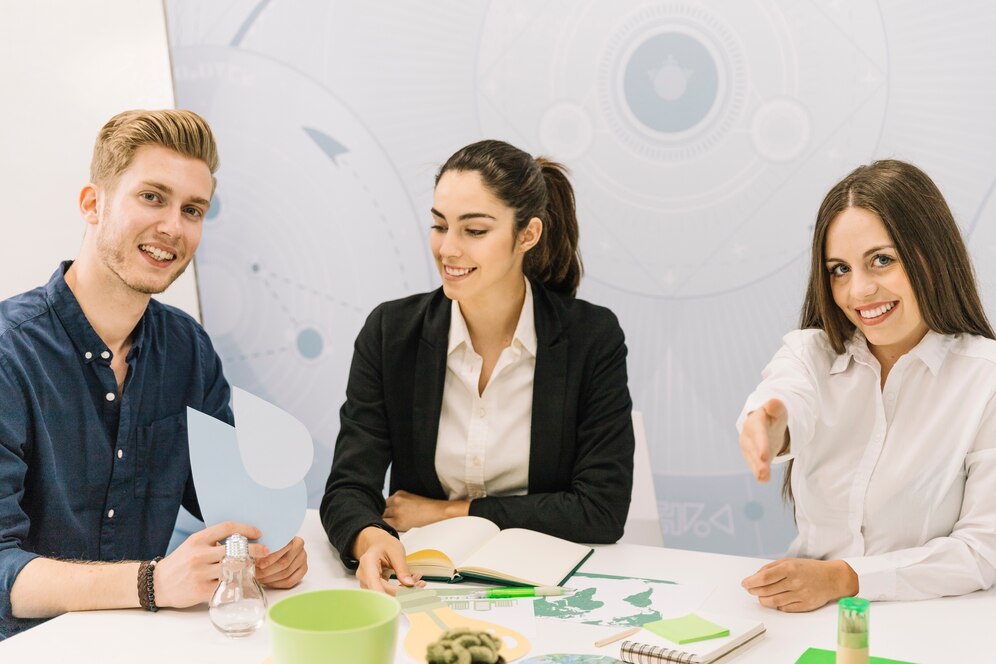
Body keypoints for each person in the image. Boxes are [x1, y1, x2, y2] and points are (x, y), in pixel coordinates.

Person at [0, 109, 307, 639]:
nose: (173, 226)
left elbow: (216, 497)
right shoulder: (9, 355)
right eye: (152, 197)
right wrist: (151, 583)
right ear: (92, 204)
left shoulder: (187, 348)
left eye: (193, 209)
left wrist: (260, 548)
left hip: (147, 639)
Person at [321, 139, 635, 594]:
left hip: (546, 586)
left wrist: (452, 510)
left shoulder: (592, 338)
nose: (448, 249)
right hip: (421, 582)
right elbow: (349, 486)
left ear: (527, 235)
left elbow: (600, 511)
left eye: (475, 231)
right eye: (438, 225)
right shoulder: (392, 331)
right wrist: (368, 539)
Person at [737, 159, 996, 612]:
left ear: (934, 256)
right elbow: (786, 398)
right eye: (840, 269)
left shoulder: (984, 377)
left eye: (882, 260)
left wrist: (845, 578)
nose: (859, 291)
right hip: (807, 618)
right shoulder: (811, 355)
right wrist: (771, 425)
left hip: (935, 623)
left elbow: (982, 550)